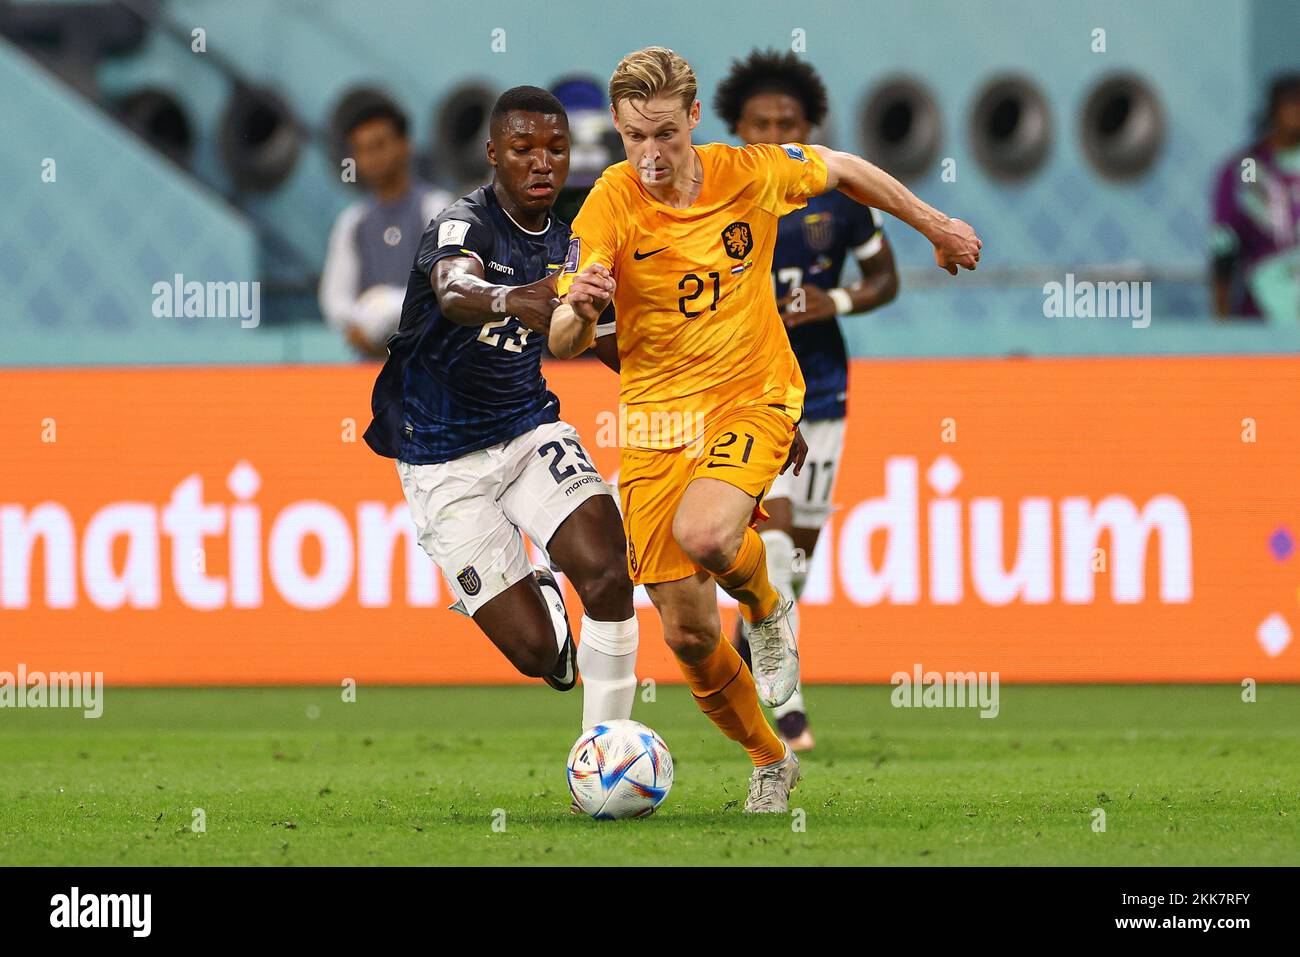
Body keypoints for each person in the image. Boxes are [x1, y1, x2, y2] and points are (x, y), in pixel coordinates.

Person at [551, 47, 980, 812]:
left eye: (664, 136)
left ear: (693, 119)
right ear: (618, 130)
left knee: (711, 534)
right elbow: (563, 341)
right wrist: (578, 307)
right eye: (633, 138)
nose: (650, 156)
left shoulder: (748, 173)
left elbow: (845, 168)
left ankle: (766, 605)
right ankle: (770, 757)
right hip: (656, 423)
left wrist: (937, 225)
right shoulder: (608, 204)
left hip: (754, 395)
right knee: (684, 632)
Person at [364, 86, 638, 733]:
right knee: (539, 655)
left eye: (556, 149)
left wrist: (711, 391)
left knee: (607, 575)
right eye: (524, 149)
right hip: (441, 462)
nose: (543, 162)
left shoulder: (572, 243)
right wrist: (518, 299)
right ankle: (541, 602)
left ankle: (603, 749)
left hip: (527, 430)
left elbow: (610, 342)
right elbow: (455, 289)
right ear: (494, 154)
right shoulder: (463, 224)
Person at [714, 49, 901, 752]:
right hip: (750, 396)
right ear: (737, 128)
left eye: (786, 122)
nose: (773, 132)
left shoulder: (837, 201)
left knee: (799, 562)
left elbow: (886, 281)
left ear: (809, 126)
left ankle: (753, 644)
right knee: (781, 552)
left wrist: (838, 299)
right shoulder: (719, 198)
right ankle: (784, 710)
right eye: (759, 122)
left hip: (823, 392)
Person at [321, 101, 453, 359]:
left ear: (405, 146)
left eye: (379, 145)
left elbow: (449, 283)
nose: (372, 157)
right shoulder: (352, 221)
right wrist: (362, 327)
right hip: (373, 366)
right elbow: (335, 298)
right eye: (362, 149)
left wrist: (392, 310)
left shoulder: (438, 207)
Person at [1211, 73, 1300, 323]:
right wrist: (1221, 314)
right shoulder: (1248, 167)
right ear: (1274, 109)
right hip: (1264, 307)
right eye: (1292, 103)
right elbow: (1224, 240)